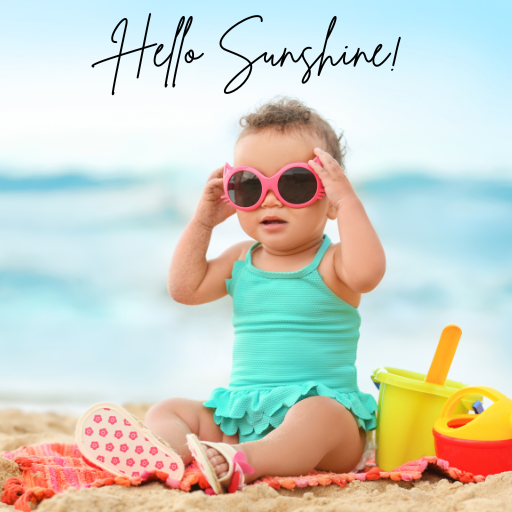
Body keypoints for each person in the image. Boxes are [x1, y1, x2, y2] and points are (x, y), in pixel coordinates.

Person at [76, 97, 386, 494]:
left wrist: (348, 202)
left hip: (325, 429)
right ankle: (165, 451)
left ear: (327, 197)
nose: (271, 198)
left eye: (295, 183)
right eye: (251, 185)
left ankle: (249, 462)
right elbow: (184, 289)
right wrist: (202, 221)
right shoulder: (240, 259)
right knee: (169, 409)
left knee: (319, 414)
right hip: (243, 417)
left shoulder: (334, 263)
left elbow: (369, 273)